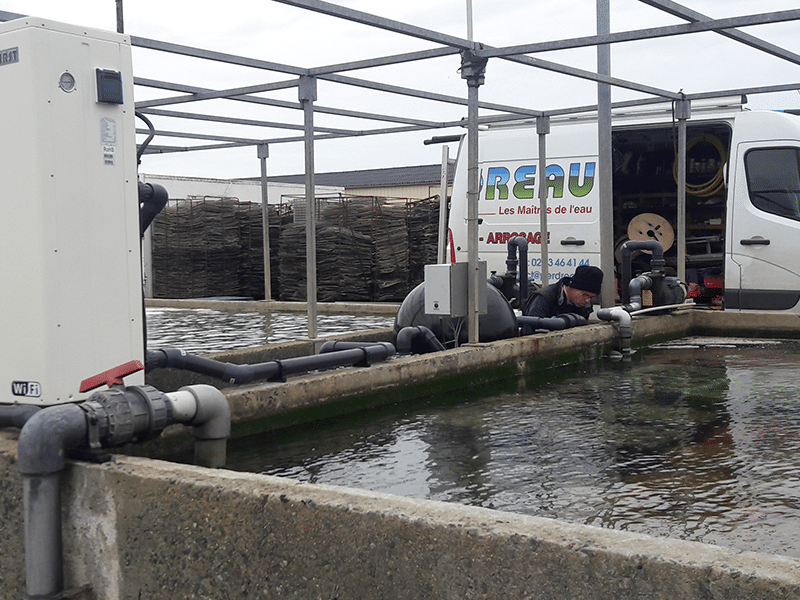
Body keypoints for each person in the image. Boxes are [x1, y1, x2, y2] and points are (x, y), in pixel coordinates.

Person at [522, 264, 603, 320]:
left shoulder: (585, 305)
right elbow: (530, 329)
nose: (587, 301)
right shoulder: (544, 298)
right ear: (573, 287)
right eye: (585, 295)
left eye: (591, 297)